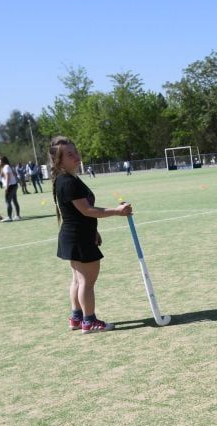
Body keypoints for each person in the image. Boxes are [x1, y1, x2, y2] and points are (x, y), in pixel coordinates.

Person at [50, 136, 132, 333]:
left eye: (75, 151)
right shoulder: (68, 182)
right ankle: (89, 321)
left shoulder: (66, 179)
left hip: (76, 235)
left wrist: (93, 230)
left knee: (78, 280)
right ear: (59, 160)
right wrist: (117, 211)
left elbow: (77, 212)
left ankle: (77, 318)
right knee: (86, 281)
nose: (76, 156)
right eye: (70, 154)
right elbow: (87, 210)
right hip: (78, 238)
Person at [0, 156, 21, 221]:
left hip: (10, 186)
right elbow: (14, 174)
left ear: (2, 161)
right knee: (14, 200)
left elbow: (8, 176)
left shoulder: (6, 167)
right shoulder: (6, 167)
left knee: (8, 201)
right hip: (13, 185)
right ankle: (17, 216)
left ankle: (9, 217)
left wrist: (6, 186)